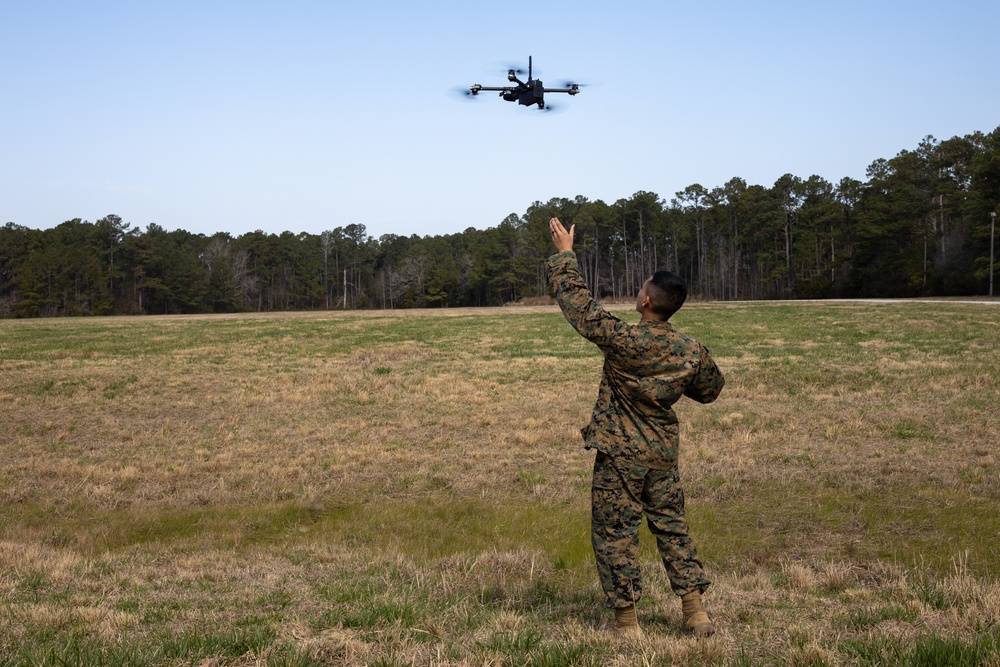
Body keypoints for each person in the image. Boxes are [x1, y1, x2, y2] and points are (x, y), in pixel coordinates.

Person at [546, 217, 725, 637]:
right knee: (672, 527)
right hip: (661, 456)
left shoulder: (624, 339)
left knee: (615, 535)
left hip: (620, 458)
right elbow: (711, 390)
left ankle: (627, 624)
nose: (639, 290)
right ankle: (695, 613)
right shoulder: (690, 350)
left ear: (646, 301)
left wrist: (566, 254)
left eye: (642, 287)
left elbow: (579, 306)